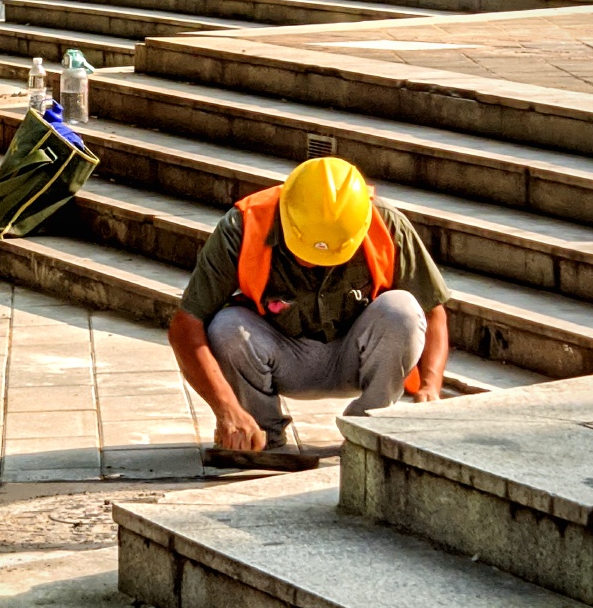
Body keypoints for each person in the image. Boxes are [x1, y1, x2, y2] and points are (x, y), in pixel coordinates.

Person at [168, 157, 449, 462]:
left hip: (357, 355)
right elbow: (186, 325)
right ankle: (258, 434)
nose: (313, 264)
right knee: (227, 326)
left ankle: (367, 432)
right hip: (284, 354)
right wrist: (227, 409)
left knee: (403, 310)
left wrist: (431, 387)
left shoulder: (386, 223)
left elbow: (433, 311)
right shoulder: (245, 224)